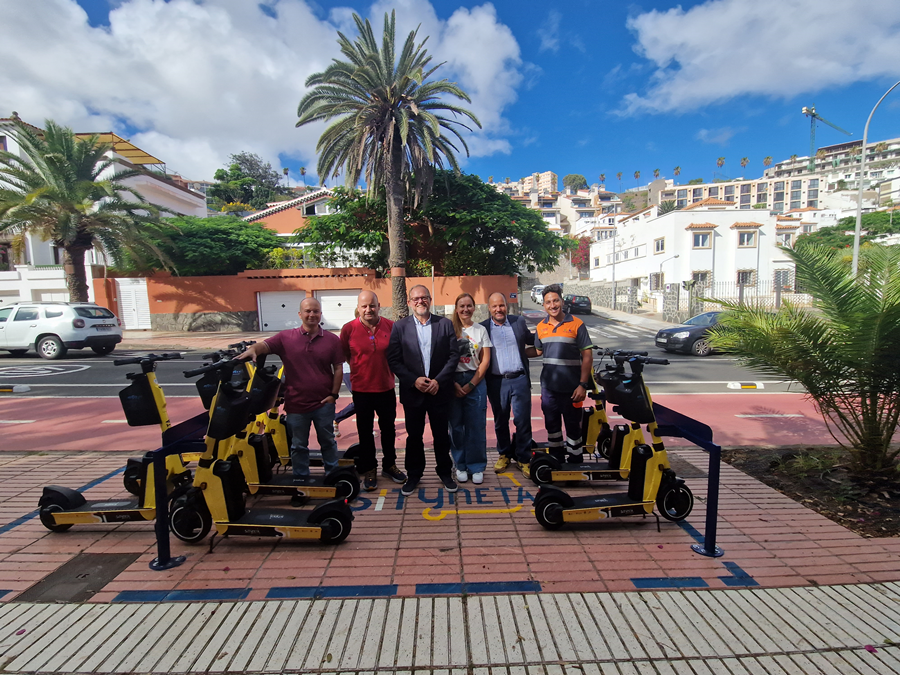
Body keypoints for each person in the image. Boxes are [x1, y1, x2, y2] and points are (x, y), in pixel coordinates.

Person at [237, 297, 343, 504]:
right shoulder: (286, 338)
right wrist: (252, 351)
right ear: (300, 314)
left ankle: (333, 481)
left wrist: (333, 395)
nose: (312, 315)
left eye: (316, 311)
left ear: (320, 314)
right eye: (307, 311)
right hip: (297, 405)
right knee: (298, 447)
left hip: (324, 403)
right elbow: (264, 346)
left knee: (328, 443)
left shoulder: (332, 340)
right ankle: (301, 487)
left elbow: (338, 368)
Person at [386, 284, 460, 496]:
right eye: (416, 298)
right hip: (413, 393)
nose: (420, 301)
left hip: (439, 391)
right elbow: (394, 359)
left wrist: (439, 380)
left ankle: (445, 472)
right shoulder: (400, 327)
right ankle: (415, 474)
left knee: (441, 435)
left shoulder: (444, 324)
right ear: (409, 302)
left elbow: (453, 356)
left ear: (430, 299)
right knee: (414, 436)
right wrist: (413, 380)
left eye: (424, 297)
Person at [339, 290, 406, 492]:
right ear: (358, 308)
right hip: (361, 390)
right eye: (364, 306)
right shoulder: (348, 329)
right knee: (365, 433)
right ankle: (369, 469)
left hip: (386, 388)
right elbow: (345, 355)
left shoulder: (391, 327)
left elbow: (398, 354)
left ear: (379, 305)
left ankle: (389, 465)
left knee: (388, 431)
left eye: (372, 305)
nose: (368, 309)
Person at [533, 283, 593, 462]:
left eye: (555, 300)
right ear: (543, 305)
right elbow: (537, 351)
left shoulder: (577, 324)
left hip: (572, 389)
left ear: (561, 300)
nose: (552, 305)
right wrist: (515, 351)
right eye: (548, 302)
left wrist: (583, 385)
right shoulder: (540, 327)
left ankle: (575, 461)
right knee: (552, 426)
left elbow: (587, 356)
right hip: (549, 389)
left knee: (573, 427)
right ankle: (557, 459)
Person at [481, 292, 537, 478]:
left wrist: (548, 334)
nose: (499, 309)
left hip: (519, 379)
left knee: (522, 421)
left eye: (502, 305)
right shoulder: (483, 328)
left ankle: (523, 457)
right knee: (500, 420)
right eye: (495, 306)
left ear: (507, 306)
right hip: (496, 382)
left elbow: (532, 340)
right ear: (489, 308)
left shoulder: (518, 322)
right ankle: (504, 454)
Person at [448, 293, 492, 485]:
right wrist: (453, 383)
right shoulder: (449, 329)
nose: (465, 309)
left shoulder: (480, 330)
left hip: (476, 380)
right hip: (452, 381)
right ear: (456, 309)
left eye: (469, 306)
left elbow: (485, 360)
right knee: (456, 427)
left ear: (474, 308)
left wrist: (472, 384)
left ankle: (477, 466)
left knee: (476, 426)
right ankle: (460, 464)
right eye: (461, 306)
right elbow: (441, 358)